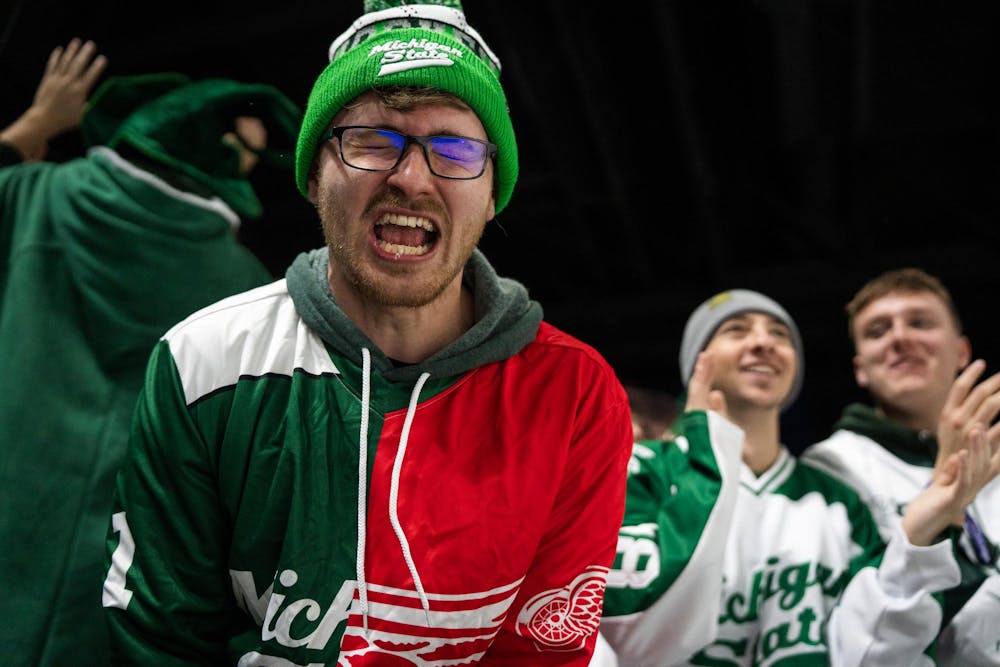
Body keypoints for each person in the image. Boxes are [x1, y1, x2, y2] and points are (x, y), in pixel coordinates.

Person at [99, 2, 641, 664]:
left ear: (492, 194)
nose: (411, 178)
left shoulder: (575, 394)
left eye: (455, 149)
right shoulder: (202, 363)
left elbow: (540, 651)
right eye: (371, 140)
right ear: (313, 174)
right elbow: (161, 642)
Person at [0, 39, 301, 666]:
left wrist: (35, 125)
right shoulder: (250, 291)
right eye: (241, 147)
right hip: (123, 576)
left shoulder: (37, 196)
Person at [600, 288, 999, 666]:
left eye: (779, 334)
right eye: (736, 330)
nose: (763, 342)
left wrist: (918, 540)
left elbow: (870, 654)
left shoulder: (838, 498)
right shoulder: (640, 468)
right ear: (698, 363)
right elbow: (626, 633)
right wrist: (706, 455)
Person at [801, 267, 1000, 665]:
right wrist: (938, 513)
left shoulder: (993, 452)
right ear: (860, 368)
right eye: (878, 331)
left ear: (961, 351)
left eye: (920, 323)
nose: (899, 338)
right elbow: (852, 650)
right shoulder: (829, 470)